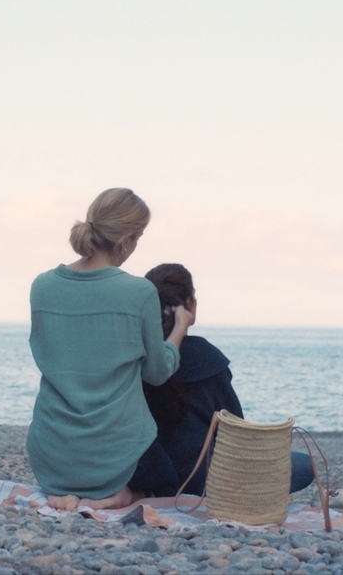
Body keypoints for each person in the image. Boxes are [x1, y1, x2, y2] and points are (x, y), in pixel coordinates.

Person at [26, 188, 194, 511]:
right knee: (168, 481)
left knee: (79, 466)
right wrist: (178, 332)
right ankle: (124, 495)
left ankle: (64, 492)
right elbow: (157, 374)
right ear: (128, 239)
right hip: (116, 455)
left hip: (51, 454)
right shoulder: (139, 292)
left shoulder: (42, 286)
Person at [140, 263, 315, 498]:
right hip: (208, 482)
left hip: (149, 479)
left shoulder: (137, 356)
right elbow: (235, 429)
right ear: (189, 305)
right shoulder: (206, 358)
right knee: (304, 464)